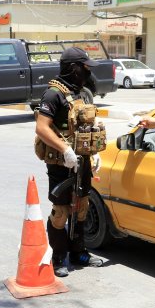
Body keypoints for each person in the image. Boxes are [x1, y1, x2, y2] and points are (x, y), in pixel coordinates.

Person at [34, 47, 105, 277]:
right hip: (60, 162)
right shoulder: (53, 94)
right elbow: (42, 128)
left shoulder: (82, 93)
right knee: (62, 211)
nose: (87, 72)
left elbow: (87, 127)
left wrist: (93, 153)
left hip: (82, 159)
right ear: (73, 68)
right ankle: (58, 257)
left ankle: (79, 252)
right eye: (84, 67)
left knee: (82, 207)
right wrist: (65, 150)